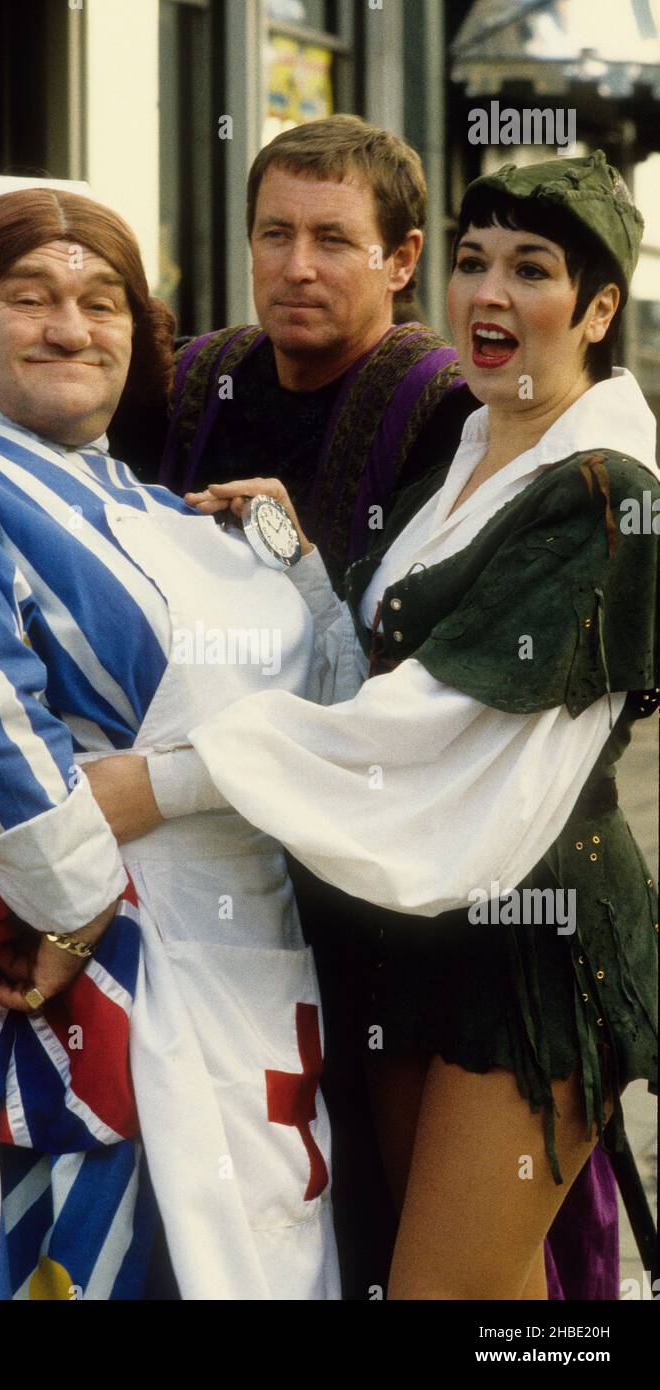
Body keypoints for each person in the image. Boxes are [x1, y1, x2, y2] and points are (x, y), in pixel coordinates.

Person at [94, 151, 658, 1299]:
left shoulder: (603, 490)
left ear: (599, 309)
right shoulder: (470, 445)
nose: (488, 294)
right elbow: (367, 666)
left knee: (444, 1295)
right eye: (473, 261)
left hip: (527, 946)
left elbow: (414, 731)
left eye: (532, 270)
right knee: (467, 1289)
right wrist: (302, 567)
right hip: (413, 928)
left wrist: (163, 786)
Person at [0, 175, 340, 1301]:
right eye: (28, 296)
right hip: (53, 996)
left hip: (241, 992)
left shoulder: (168, 509)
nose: (71, 325)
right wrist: (68, 902)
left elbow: (330, 724)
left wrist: (299, 571)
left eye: (102, 299)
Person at [156, 115, 474, 589]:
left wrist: (295, 558)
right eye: (276, 235)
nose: (297, 268)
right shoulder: (197, 374)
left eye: (332, 240)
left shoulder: (451, 410)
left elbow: (416, 637)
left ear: (401, 261)